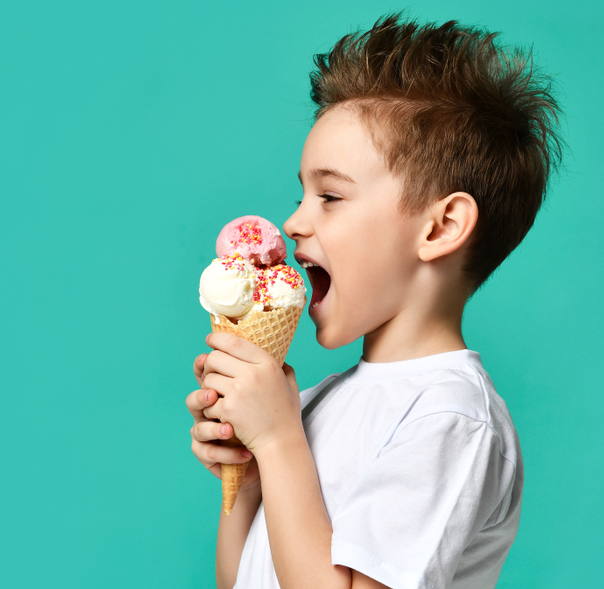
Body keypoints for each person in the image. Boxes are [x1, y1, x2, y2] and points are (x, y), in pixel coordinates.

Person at [185, 14, 561, 589]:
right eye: (302, 195)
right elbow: (240, 581)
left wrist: (279, 441)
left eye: (330, 196)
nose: (292, 222)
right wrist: (253, 478)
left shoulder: (450, 417)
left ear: (440, 227)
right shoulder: (318, 403)